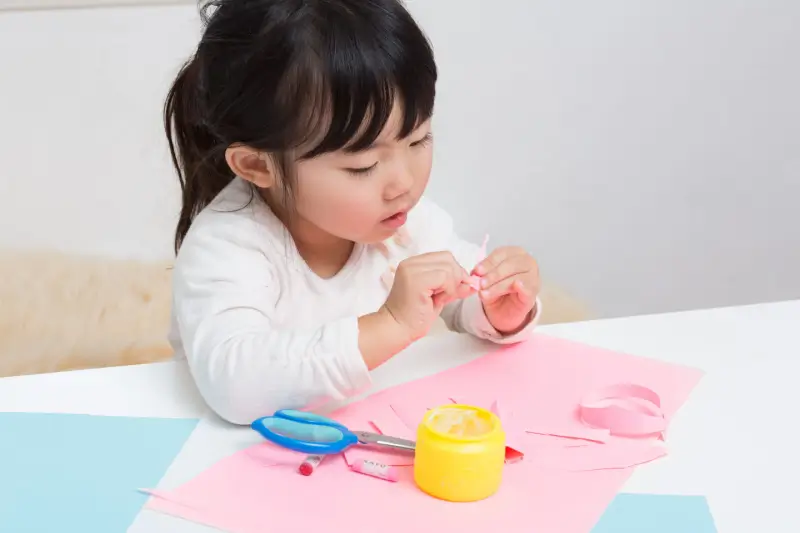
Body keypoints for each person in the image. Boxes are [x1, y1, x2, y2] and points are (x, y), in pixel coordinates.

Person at [165, 0, 542, 425]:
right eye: (363, 166)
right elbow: (236, 386)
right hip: (240, 460)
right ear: (257, 165)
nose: (403, 181)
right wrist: (391, 323)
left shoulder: (404, 224)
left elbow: (458, 294)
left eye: (418, 140)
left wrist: (498, 309)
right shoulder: (225, 247)